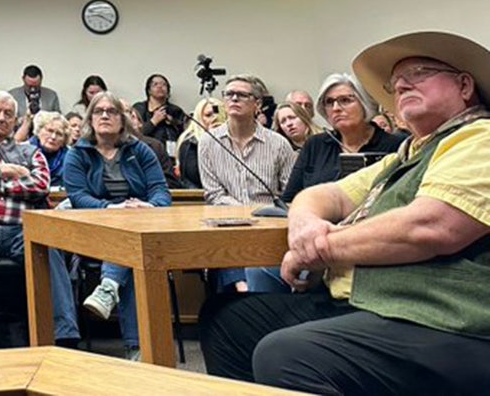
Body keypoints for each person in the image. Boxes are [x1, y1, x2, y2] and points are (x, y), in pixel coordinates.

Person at [201, 30, 490, 394]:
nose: (401, 86)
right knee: (227, 319)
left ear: (464, 85)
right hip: (371, 300)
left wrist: (320, 248)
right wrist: (305, 226)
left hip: (441, 317)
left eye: (418, 74)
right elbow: (325, 194)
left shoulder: (480, 137)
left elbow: (430, 227)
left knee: (287, 355)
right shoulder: (406, 155)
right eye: (396, 83)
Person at [0, 91, 81, 352]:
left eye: (8, 114)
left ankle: (65, 336)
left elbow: (40, 184)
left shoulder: (29, 151)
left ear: (16, 120)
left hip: (22, 228)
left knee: (50, 248)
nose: (1, 118)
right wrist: (4, 171)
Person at [65, 92, 171, 360]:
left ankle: (109, 287)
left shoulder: (140, 150)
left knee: (134, 252)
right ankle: (137, 348)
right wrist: (111, 209)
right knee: (132, 251)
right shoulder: (78, 153)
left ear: (122, 120)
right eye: (98, 111)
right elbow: (78, 197)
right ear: (90, 119)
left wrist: (150, 207)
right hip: (95, 230)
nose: (104, 116)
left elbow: (160, 191)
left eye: (111, 111)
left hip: (139, 225)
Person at [198, 75, 296, 292]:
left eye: (242, 95)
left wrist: (261, 214)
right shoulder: (207, 142)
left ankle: (247, 289)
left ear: (257, 104)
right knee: (223, 246)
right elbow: (213, 194)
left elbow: (290, 193)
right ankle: (244, 288)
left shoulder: (279, 144)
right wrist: (243, 213)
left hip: (269, 227)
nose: (234, 99)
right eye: (229, 94)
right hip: (225, 226)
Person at [281, 73, 406, 203]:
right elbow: (289, 199)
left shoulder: (396, 146)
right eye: (329, 102)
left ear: (365, 103)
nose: (336, 108)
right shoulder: (315, 145)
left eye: (345, 100)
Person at [123, 103, 177, 187]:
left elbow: (170, 181)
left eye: (133, 116)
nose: (128, 119)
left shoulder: (155, 146)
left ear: (140, 123)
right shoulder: (109, 146)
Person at [175, 97, 223, 188]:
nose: (214, 118)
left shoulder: (235, 138)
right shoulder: (190, 142)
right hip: (200, 195)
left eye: (218, 114)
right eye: (208, 115)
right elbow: (194, 176)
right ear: (200, 118)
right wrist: (210, 140)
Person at [9, 65, 61, 141]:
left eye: (36, 86)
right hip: (18, 136)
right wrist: (22, 120)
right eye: (29, 86)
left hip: (45, 138)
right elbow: (7, 120)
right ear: (23, 79)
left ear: (41, 79)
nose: (33, 89)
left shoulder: (51, 96)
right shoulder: (12, 96)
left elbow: (58, 119)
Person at [133, 73, 185, 145]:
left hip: (171, 152)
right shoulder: (139, 108)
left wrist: (173, 122)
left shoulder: (175, 110)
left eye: (164, 84)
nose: (160, 87)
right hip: (147, 150)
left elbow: (185, 133)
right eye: (155, 84)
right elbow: (134, 134)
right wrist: (153, 121)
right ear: (149, 90)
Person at [28, 111, 72, 188]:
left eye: (59, 134)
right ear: (38, 131)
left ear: (64, 140)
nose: (53, 137)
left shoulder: (70, 157)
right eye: (49, 131)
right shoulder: (24, 151)